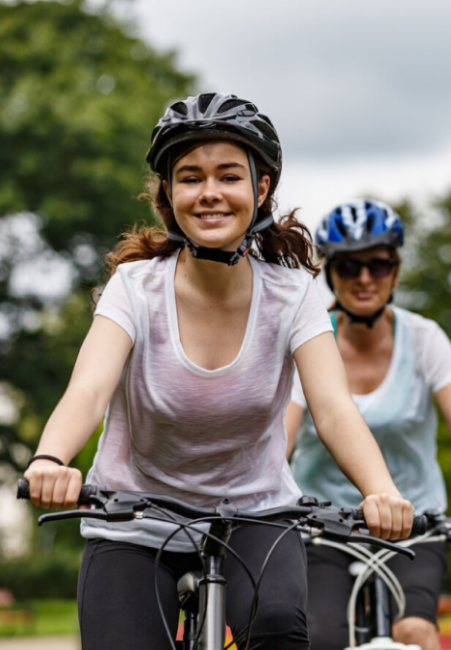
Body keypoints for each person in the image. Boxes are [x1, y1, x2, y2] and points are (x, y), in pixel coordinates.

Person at [22, 93, 414, 650]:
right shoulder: (134, 289)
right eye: (191, 178)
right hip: (133, 518)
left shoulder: (293, 294)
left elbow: (332, 407)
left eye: (229, 176)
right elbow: (87, 392)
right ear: (168, 193)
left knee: (278, 625)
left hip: (255, 514)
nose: (209, 192)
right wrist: (50, 460)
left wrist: (380, 491)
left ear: (261, 189)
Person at [284, 198, 451, 650]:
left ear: (395, 272)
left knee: (414, 631)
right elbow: (282, 435)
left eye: (378, 265)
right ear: (330, 273)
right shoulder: (310, 340)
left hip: (416, 520)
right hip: (323, 527)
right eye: (349, 266)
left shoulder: (425, 338)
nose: (364, 278)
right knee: (320, 638)